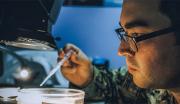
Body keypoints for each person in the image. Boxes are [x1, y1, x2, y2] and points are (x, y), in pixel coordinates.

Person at [58, 0, 180, 103]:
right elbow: (116, 86)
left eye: (136, 34)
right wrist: (88, 76)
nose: (121, 50)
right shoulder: (157, 86)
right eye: (124, 33)